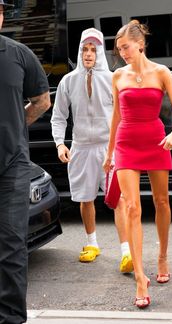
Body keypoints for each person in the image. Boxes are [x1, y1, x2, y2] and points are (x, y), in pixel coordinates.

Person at [103, 20, 172, 308]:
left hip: (155, 139)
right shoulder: (117, 76)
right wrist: (109, 152)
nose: (122, 53)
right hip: (126, 142)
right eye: (118, 49)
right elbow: (115, 117)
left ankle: (162, 255)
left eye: (125, 47)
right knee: (131, 206)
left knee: (161, 201)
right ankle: (140, 276)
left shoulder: (161, 72)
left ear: (140, 44)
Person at [51, 28, 133, 273]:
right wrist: (59, 143)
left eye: (93, 49)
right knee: (85, 199)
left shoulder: (112, 79)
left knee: (118, 199)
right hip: (81, 147)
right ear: (79, 51)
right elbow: (59, 117)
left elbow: (123, 116)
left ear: (99, 52)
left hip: (108, 148)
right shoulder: (69, 81)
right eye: (85, 49)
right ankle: (92, 243)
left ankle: (126, 251)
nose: (88, 54)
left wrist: (121, 146)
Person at [0, 1, 51, 323]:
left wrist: (17, 124)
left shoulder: (19, 54)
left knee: (11, 246)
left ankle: (11, 319)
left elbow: (42, 100)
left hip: (12, 167)